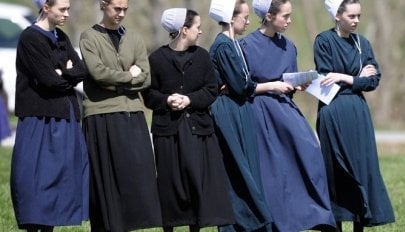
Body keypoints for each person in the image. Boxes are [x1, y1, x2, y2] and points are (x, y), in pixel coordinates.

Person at [238, 0, 337, 231]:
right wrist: (272, 86)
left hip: (284, 109)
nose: (290, 20)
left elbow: (289, 81)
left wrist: (299, 84)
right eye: (285, 16)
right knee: (271, 169)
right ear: (269, 16)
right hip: (259, 110)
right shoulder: (246, 46)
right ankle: (275, 222)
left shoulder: (290, 46)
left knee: (310, 151)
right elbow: (245, 85)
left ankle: (314, 217)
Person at [141, 8, 234, 232]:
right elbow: (149, 95)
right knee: (169, 183)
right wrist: (167, 100)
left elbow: (211, 89)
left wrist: (189, 100)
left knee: (196, 181)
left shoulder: (201, 56)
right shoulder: (156, 59)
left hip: (198, 129)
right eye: (197, 27)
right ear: (184, 30)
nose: (200, 31)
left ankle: (196, 227)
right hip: (168, 132)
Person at [79, 0, 162, 231]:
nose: (122, 14)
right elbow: (98, 74)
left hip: (133, 114)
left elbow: (146, 77)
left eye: (125, 9)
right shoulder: (89, 37)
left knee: (136, 179)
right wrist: (128, 77)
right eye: (117, 8)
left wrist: (119, 82)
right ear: (104, 6)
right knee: (107, 182)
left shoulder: (134, 38)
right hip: (101, 115)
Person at [313, 1, 395, 231]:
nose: (356, 20)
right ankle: (336, 224)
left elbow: (373, 80)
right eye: (351, 16)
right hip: (333, 111)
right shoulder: (323, 41)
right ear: (337, 16)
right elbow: (326, 79)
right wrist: (355, 77)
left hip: (358, 113)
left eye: (358, 15)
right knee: (336, 168)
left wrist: (346, 78)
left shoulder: (363, 43)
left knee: (362, 166)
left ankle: (360, 222)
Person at [10, 0, 89, 231]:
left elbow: (81, 70)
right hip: (39, 118)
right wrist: (67, 73)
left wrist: (61, 71)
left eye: (68, 8)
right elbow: (48, 80)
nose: (66, 13)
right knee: (36, 181)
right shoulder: (30, 38)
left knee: (59, 180)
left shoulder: (61, 37)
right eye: (62, 9)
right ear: (46, 8)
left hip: (65, 116)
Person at [208, 0, 272, 231]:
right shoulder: (224, 46)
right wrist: (242, 85)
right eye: (244, 16)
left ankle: (255, 221)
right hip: (229, 112)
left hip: (239, 109)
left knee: (247, 166)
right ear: (231, 18)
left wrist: (242, 84)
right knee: (236, 168)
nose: (247, 20)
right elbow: (240, 84)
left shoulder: (233, 44)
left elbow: (240, 83)